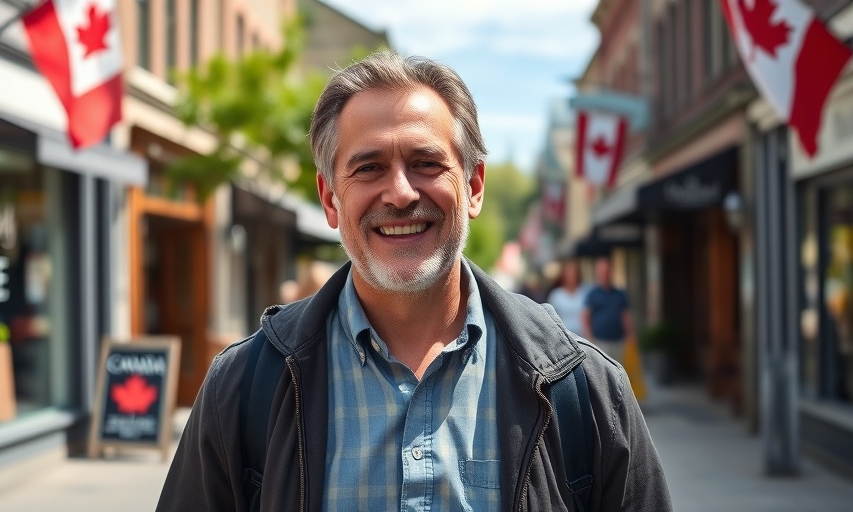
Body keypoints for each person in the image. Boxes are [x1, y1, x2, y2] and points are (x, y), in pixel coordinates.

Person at [156, 51, 670, 511]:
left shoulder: (583, 389)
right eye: (369, 168)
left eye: (426, 163)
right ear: (331, 199)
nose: (400, 193)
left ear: (472, 186)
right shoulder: (244, 386)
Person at [582, 257, 635, 364]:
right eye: (602, 272)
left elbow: (625, 315)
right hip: (599, 342)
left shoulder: (619, 294)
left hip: (617, 342)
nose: (604, 275)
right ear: (598, 274)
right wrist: (589, 338)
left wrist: (631, 335)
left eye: (607, 272)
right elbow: (585, 316)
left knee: (618, 371)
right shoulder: (593, 294)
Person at [547, 259, 589, 336]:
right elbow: (551, 318)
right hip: (564, 337)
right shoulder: (556, 295)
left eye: (574, 273)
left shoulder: (584, 292)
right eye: (569, 274)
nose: (571, 276)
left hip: (583, 337)